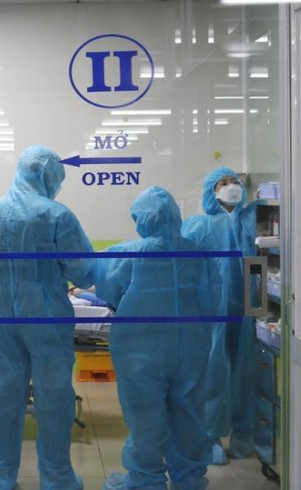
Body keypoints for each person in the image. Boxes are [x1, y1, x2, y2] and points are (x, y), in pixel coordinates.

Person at [0, 144, 96, 490]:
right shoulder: (56, 215)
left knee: (5, 396)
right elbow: (83, 271)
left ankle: (0, 477)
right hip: (46, 314)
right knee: (54, 397)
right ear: (49, 176)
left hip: (1, 313)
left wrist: (4, 279)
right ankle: (56, 476)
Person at [95, 186, 217, 490]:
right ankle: (189, 477)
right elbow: (212, 298)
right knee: (189, 411)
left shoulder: (129, 253)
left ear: (142, 218)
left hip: (141, 347)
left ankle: (146, 479)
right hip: (190, 345)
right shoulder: (198, 253)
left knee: (144, 414)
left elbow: (110, 290)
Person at [181, 167, 257, 464]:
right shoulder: (198, 226)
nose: (230, 187)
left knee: (246, 368)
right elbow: (184, 267)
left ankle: (245, 433)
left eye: (234, 182)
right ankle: (208, 436)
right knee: (213, 368)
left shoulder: (251, 221)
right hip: (210, 308)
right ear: (210, 191)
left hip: (247, 307)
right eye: (222, 183)